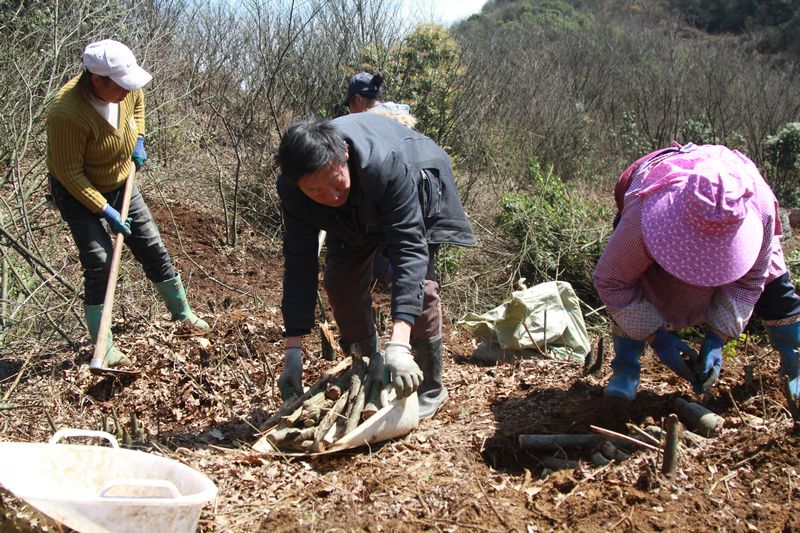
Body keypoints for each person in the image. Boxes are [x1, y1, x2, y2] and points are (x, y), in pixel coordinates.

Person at [274, 112, 476, 418]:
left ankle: (429, 387)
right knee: (340, 279)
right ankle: (368, 372)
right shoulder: (293, 190)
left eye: (334, 181)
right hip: (357, 211)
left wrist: (399, 343)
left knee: (418, 281)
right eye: (315, 191)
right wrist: (293, 350)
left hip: (417, 177)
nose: (329, 196)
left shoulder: (384, 163)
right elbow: (299, 263)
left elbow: (409, 252)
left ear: (343, 154)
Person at [594, 143, 800, 403]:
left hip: (744, 213)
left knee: (776, 291)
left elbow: (750, 283)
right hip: (656, 204)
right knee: (638, 284)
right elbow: (615, 282)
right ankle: (625, 371)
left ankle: (795, 369)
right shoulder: (642, 213)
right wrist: (656, 336)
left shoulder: (760, 207)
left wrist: (718, 336)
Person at [47, 39, 208, 368]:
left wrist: (139, 139)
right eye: (120, 86)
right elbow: (68, 172)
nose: (127, 90)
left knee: (151, 245)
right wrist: (104, 210)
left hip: (121, 180)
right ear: (97, 80)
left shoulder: (125, 87)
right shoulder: (67, 113)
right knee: (100, 262)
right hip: (78, 190)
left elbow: (137, 103)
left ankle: (182, 313)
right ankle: (103, 345)